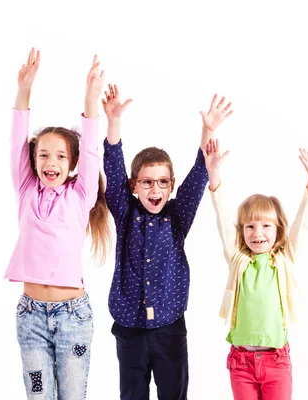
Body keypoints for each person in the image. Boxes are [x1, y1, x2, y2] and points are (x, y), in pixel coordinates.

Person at [103, 85, 234, 399]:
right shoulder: (125, 212)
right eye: (147, 182)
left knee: (174, 394)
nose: (155, 189)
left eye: (163, 182)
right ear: (135, 185)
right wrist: (114, 124)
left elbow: (200, 174)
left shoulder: (178, 216)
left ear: (171, 185)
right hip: (130, 327)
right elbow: (114, 166)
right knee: (132, 394)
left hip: (169, 327)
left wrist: (208, 129)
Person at [3, 48, 110, 400]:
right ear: (33, 160)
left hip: (73, 319)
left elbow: (93, 150)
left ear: (72, 163)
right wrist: (24, 92)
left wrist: (90, 101)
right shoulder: (26, 189)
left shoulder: (81, 196)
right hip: (31, 317)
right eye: (43, 155)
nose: (51, 162)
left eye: (61, 156)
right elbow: (17, 141)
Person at [203, 138, 308, 399]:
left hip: (276, 361)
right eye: (250, 227)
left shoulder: (284, 259)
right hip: (241, 362)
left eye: (266, 226)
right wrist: (214, 173)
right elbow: (222, 215)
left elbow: (304, 223)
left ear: (278, 230)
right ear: (242, 231)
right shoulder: (238, 258)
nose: (258, 233)